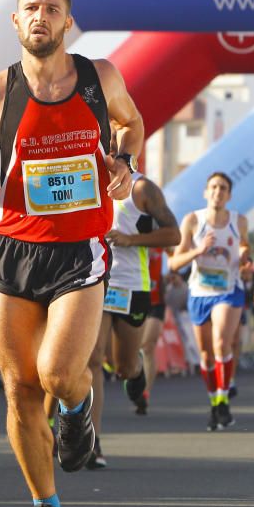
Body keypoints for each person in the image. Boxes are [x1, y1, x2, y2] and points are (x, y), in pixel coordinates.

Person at [0, 0, 143, 507]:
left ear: (66, 21)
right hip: (12, 250)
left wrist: (124, 164)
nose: (41, 17)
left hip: (80, 247)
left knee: (56, 374)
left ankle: (77, 406)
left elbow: (132, 123)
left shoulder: (100, 78)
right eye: (31, 8)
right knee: (21, 388)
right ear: (16, 20)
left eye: (52, 8)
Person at [85, 174, 179, 468]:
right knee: (93, 361)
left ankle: (136, 370)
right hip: (93, 280)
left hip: (131, 286)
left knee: (123, 367)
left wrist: (131, 240)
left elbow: (173, 235)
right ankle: (92, 442)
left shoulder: (142, 188)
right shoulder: (82, 175)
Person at [169, 172, 249, 431]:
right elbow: (174, 263)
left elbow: (245, 251)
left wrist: (246, 259)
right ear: (206, 192)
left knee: (220, 342)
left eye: (223, 188)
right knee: (205, 353)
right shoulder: (193, 220)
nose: (218, 191)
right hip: (199, 292)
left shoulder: (239, 221)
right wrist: (198, 250)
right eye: (213, 187)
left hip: (229, 290)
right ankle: (215, 402)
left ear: (229, 195)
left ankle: (224, 398)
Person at [137, 247, 167, 407]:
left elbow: (175, 255)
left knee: (147, 346)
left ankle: (145, 393)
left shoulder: (161, 234)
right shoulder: (131, 233)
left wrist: (172, 273)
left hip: (156, 301)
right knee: (124, 353)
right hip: (134, 296)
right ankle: (132, 375)